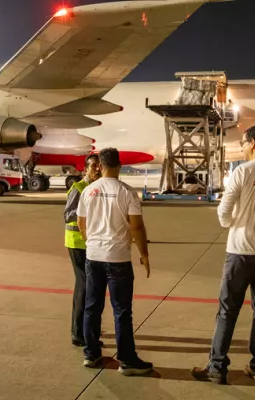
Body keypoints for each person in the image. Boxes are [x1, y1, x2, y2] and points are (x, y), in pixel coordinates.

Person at [191, 126, 255, 387]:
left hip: (241, 251)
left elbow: (224, 211)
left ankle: (217, 366)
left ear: (253, 143)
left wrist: (233, 222)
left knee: (227, 310)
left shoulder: (243, 171)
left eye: (243, 142)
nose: (242, 146)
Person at [77, 147, 153, 376]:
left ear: (100, 166)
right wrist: (144, 254)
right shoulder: (127, 192)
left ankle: (91, 354)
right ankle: (127, 360)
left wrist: (92, 242)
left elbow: (81, 224)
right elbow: (137, 226)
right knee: (121, 310)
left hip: (93, 256)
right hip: (118, 257)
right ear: (119, 165)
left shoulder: (88, 191)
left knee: (92, 307)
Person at [63, 154, 103, 347]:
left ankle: (86, 329)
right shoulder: (78, 188)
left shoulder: (98, 188)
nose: (98, 169)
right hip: (77, 243)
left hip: (91, 244)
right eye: (94, 166)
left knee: (92, 287)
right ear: (86, 169)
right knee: (84, 286)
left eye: (100, 166)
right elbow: (67, 214)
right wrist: (87, 211)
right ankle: (78, 332)